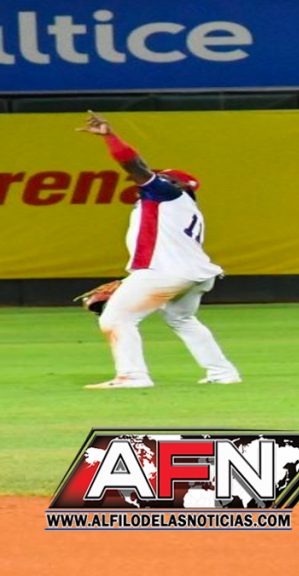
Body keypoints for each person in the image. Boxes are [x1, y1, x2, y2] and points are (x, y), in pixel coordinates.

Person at [77, 111, 241, 389]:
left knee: (116, 319)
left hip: (164, 273)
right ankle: (223, 373)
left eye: (163, 177)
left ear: (178, 185)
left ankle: (132, 376)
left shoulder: (168, 195)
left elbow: (133, 164)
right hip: (193, 274)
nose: (152, 179)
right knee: (182, 319)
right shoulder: (177, 207)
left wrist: (110, 136)